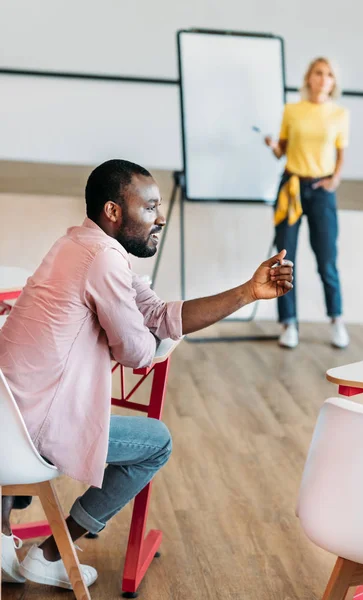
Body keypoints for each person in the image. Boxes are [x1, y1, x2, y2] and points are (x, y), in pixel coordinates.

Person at [0, 159, 293, 590]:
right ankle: (50, 554)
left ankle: (5, 532)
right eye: (150, 206)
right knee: (157, 443)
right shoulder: (104, 260)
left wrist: (249, 291)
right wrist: (136, 331)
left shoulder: (77, 243)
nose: (160, 217)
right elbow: (137, 351)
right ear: (114, 211)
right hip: (36, 433)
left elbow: (158, 314)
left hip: (8, 422)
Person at [265, 57, 350, 349]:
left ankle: (336, 318)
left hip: (321, 189)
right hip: (291, 187)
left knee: (327, 258)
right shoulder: (292, 110)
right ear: (309, 78)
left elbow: (341, 156)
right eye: (318, 72)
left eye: (329, 74)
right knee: (284, 257)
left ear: (333, 82)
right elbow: (282, 152)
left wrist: (335, 180)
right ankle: (289, 323)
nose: (323, 78)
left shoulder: (340, 114)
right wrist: (273, 146)